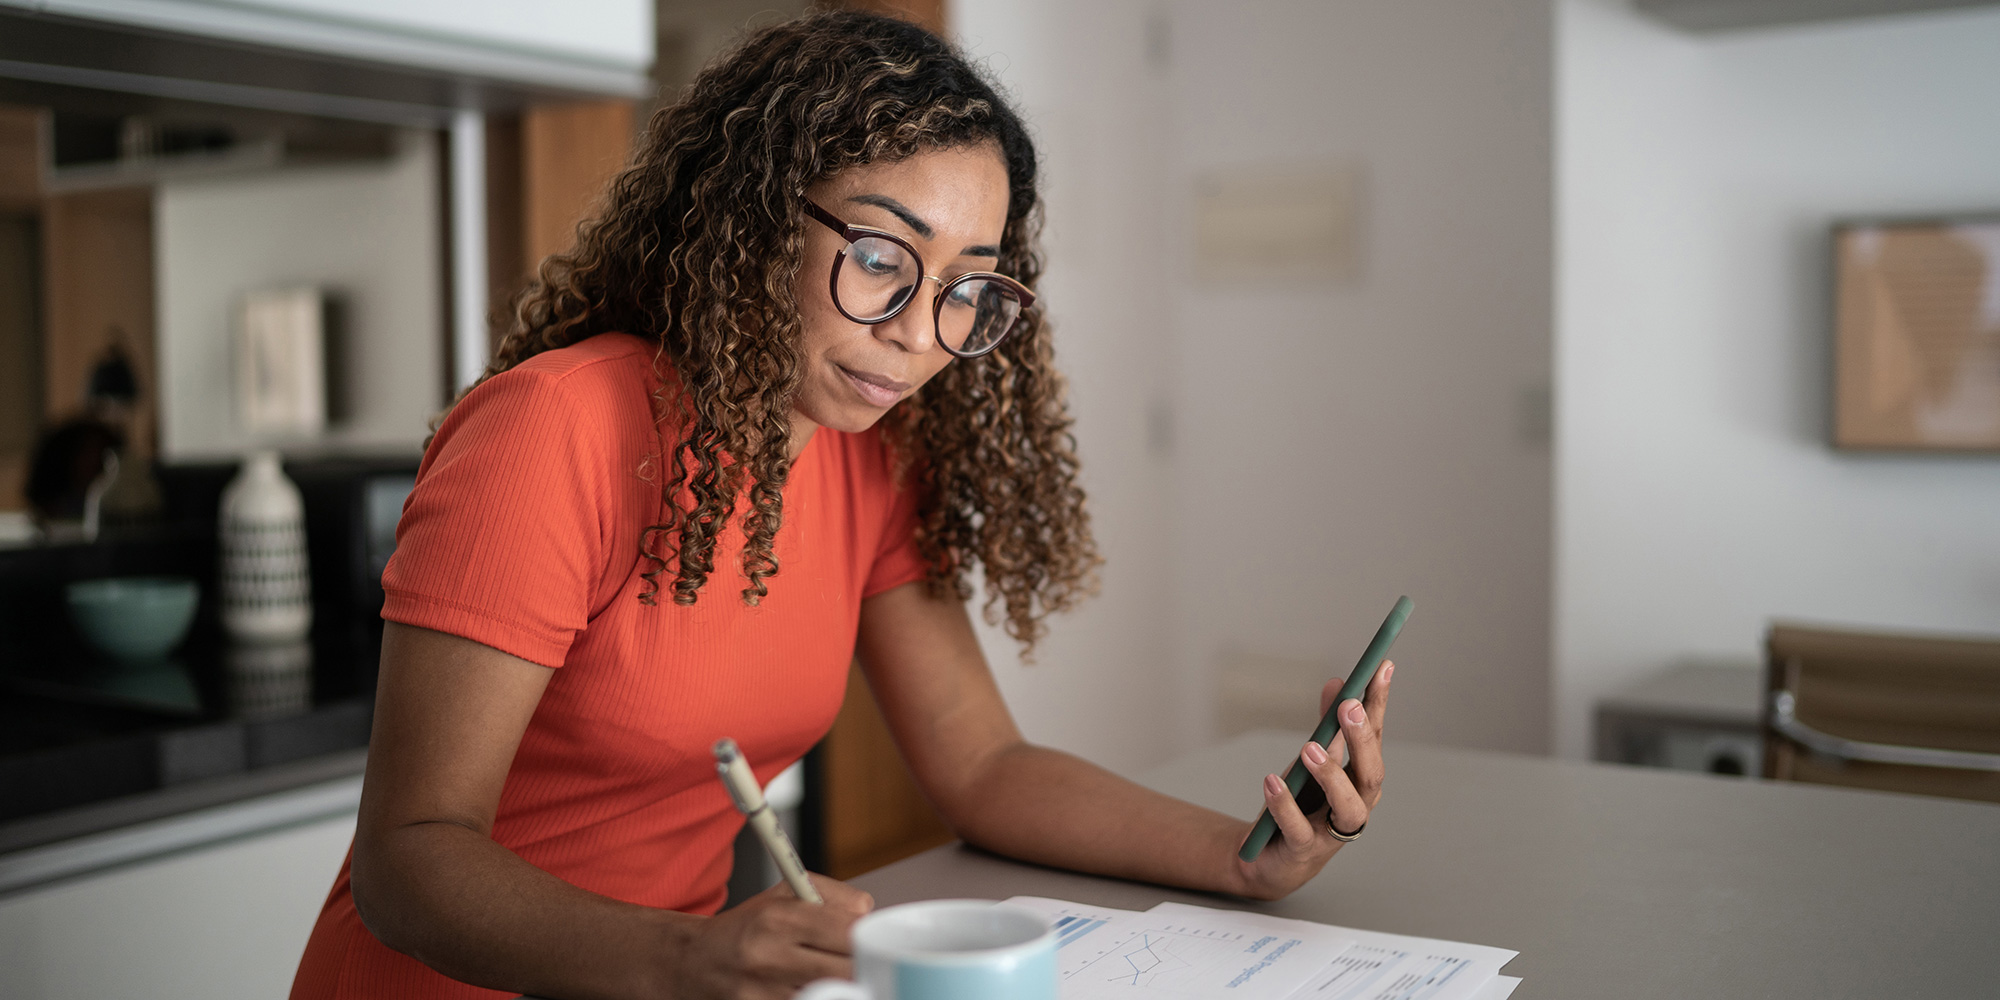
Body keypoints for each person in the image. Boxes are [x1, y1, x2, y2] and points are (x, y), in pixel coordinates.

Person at [291, 12, 1392, 1000]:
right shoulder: (552, 430)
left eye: (966, 286)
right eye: (879, 258)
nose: (919, 333)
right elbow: (410, 858)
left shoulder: (864, 450)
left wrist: (1241, 852)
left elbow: (979, 764)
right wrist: (689, 956)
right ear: (762, 220)